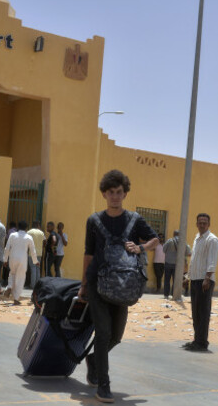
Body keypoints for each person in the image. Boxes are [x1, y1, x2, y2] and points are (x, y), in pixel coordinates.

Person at [78, 169, 158, 403]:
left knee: (116, 336)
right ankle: (104, 385)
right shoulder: (94, 220)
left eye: (119, 192)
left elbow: (155, 239)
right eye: (111, 192)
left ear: (125, 194)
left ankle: (93, 361)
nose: (115, 196)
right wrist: (83, 284)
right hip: (97, 284)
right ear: (104, 194)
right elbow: (89, 253)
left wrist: (141, 248)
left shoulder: (134, 220)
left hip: (124, 286)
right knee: (103, 334)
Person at [182, 213, 218, 352]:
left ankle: (202, 343)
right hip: (195, 279)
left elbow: (212, 261)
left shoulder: (212, 240)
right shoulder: (197, 238)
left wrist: (207, 278)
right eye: (200, 222)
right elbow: (194, 261)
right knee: (196, 312)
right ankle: (196, 340)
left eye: (205, 222)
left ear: (209, 224)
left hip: (205, 281)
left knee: (203, 313)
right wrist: (187, 277)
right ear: (196, 224)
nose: (202, 224)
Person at [2, 220, 38, 305]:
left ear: (18, 227)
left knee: (12, 273)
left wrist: (5, 260)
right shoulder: (29, 237)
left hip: (12, 258)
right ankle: (16, 299)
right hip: (22, 259)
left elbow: (7, 248)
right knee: (20, 278)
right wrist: (35, 261)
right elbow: (33, 251)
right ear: (26, 228)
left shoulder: (12, 235)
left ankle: (10, 286)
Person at [162, 230, 191, 299]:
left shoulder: (169, 241)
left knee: (167, 280)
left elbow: (163, 250)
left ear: (173, 234)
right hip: (177, 265)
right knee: (176, 280)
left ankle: (166, 295)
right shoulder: (183, 242)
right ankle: (173, 294)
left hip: (168, 263)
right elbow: (188, 253)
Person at [26, 220, 45, 288]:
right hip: (39, 253)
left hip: (31, 253)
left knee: (33, 268)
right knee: (38, 268)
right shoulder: (41, 233)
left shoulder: (29, 232)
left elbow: (26, 241)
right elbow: (44, 241)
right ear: (38, 225)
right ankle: (37, 286)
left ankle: (33, 285)